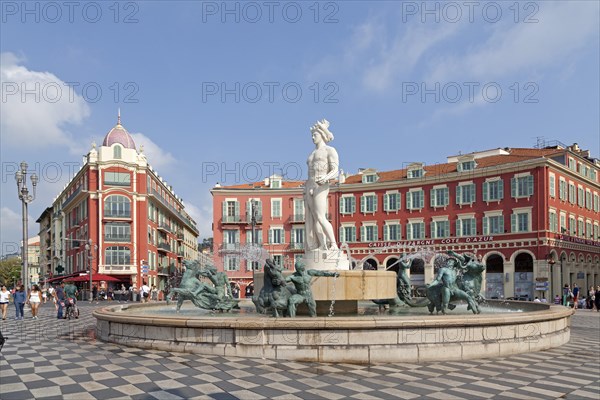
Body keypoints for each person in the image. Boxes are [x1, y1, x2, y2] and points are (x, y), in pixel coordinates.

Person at [304, 119, 340, 251]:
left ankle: (334, 245)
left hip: (321, 184)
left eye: (315, 135)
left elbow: (335, 170)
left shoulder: (330, 150)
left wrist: (326, 178)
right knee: (314, 219)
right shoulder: (311, 154)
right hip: (309, 185)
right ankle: (322, 245)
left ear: (322, 135)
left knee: (320, 216)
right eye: (312, 135)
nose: (313, 137)